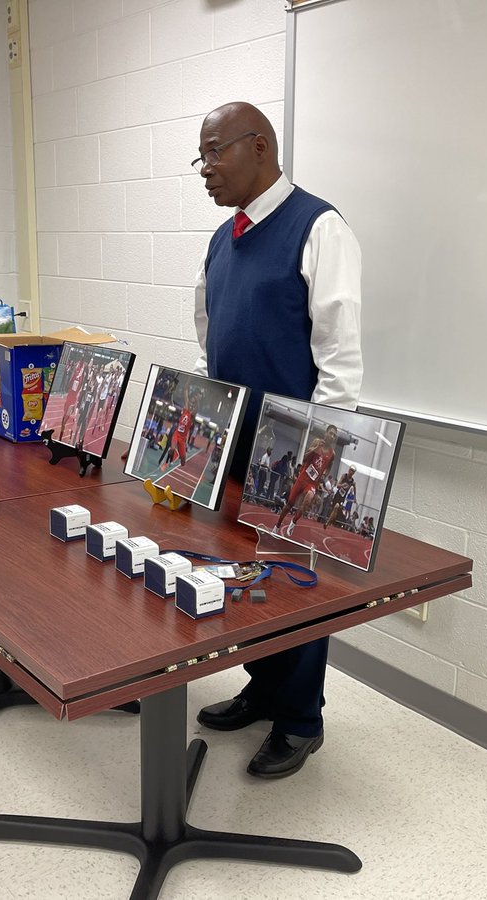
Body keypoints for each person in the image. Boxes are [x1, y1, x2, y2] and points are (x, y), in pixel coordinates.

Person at [190, 101, 362, 779]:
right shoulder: (221, 237)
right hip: (234, 436)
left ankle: (299, 719)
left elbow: (341, 354)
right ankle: (263, 688)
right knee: (244, 576)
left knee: (296, 582)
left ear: (258, 147)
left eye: (214, 153)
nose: (205, 170)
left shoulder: (318, 227)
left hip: (296, 447)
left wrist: (318, 452)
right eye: (199, 157)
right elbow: (208, 326)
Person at [273, 424, 338, 538]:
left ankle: (293, 522)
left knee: (308, 499)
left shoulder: (332, 454)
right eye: (331, 433)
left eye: (334, 435)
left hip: (313, 483)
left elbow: (329, 467)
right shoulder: (317, 442)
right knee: (289, 504)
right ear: (326, 433)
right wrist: (315, 449)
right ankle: (277, 526)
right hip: (302, 478)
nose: (332, 436)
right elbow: (304, 458)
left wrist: (324, 474)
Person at [325, 465, 357, 529]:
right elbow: (337, 485)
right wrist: (342, 485)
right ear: (349, 470)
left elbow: (355, 489)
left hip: (342, 498)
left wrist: (355, 498)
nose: (351, 472)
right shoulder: (343, 476)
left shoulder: (353, 482)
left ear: (353, 473)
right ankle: (331, 520)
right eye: (350, 470)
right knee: (334, 509)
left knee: (336, 507)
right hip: (337, 495)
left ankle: (328, 522)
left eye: (352, 472)